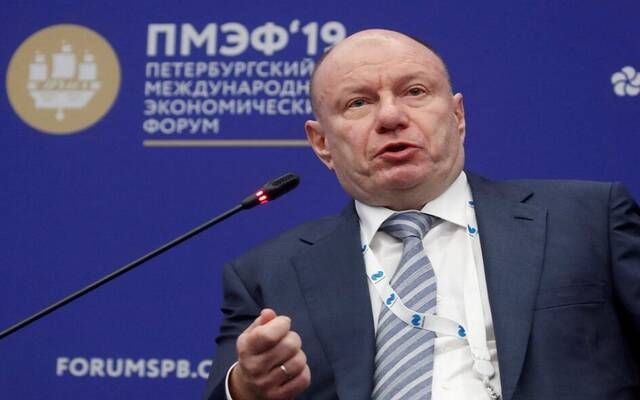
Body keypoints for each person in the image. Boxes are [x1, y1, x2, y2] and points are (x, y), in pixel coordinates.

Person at [204, 29, 640, 399]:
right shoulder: (267, 274)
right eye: (358, 103)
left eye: (414, 92)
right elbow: (230, 390)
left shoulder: (588, 220)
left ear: (458, 115)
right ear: (321, 144)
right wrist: (245, 387)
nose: (391, 117)